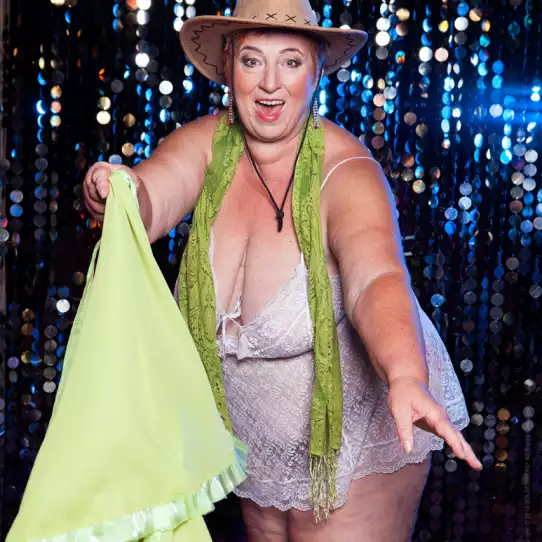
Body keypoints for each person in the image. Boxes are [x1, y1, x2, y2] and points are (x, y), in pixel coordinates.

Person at [84, 0, 481, 539]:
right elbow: (150, 197)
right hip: (257, 443)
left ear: (317, 69)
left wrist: (406, 375)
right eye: (252, 61)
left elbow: (376, 279)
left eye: (291, 62)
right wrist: (116, 191)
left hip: (357, 435)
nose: (270, 84)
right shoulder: (208, 145)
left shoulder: (347, 171)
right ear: (228, 67)